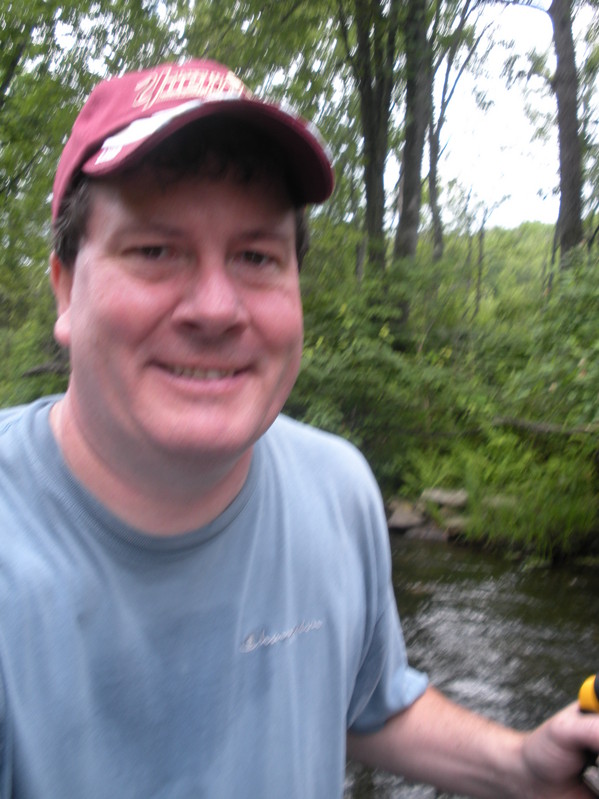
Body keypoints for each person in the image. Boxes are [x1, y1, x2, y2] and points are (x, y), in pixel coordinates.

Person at [0, 57, 597, 799]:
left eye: (256, 256)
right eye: (154, 251)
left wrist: (516, 767)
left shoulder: (337, 486)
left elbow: (364, 702)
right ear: (64, 286)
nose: (216, 308)